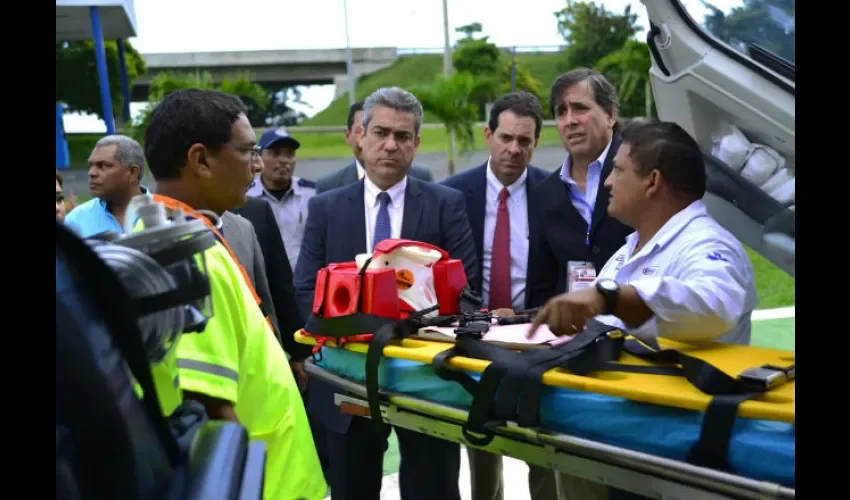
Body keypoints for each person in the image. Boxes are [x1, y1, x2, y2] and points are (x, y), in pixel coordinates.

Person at [528, 120, 757, 499]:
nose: (606, 182)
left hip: (679, 454)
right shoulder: (626, 251)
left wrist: (610, 297)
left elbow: (715, 304)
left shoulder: (709, 244)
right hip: (623, 438)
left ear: (652, 181)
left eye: (617, 170)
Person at [294, 86, 478, 500]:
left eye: (402, 136)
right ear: (361, 135)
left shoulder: (446, 204)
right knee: (351, 489)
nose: (390, 145)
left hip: (425, 380)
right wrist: (352, 335)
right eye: (380, 133)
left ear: (415, 144)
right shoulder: (325, 207)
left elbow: (468, 295)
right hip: (346, 376)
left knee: (432, 490)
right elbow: (306, 289)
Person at [143, 88, 326, 500]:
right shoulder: (188, 260)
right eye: (247, 153)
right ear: (201, 160)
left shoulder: (173, 239)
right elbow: (210, 411)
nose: (258, 166)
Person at [441, 91, 558, 500]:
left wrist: (530, 315)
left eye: (524, 141)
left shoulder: (554, 193)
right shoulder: (452, 194)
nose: (514, 149)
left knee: (542, 443)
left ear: (536, 143)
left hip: (535, 336)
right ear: (489, 134)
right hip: (475, 336)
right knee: (480, 440)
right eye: (506, 137)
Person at [526, 68, 633, 310]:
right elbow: (541, 286)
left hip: (635, 330)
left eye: (580, 108)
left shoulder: (641, 172)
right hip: (569, 335)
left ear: (610, 115)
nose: (570, 121)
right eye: (561, 112)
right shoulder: (545, 193)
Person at [315, 100, 433, 194]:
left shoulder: (421, 177)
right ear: (348, 135)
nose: (389, 145)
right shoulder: (328, 186)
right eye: (360, 131)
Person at [246, 127, 316, 272]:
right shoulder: (246, 197)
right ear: (259, 156)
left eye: (290, 154)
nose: (284, 160)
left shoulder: (312, 194)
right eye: (275, 153)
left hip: (306, 281)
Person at [63, 135, 150, 237]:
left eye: (103, 166)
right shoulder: (75, 220)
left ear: (132, 172)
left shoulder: (167, 211)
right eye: (90, 166)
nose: (91, 173)